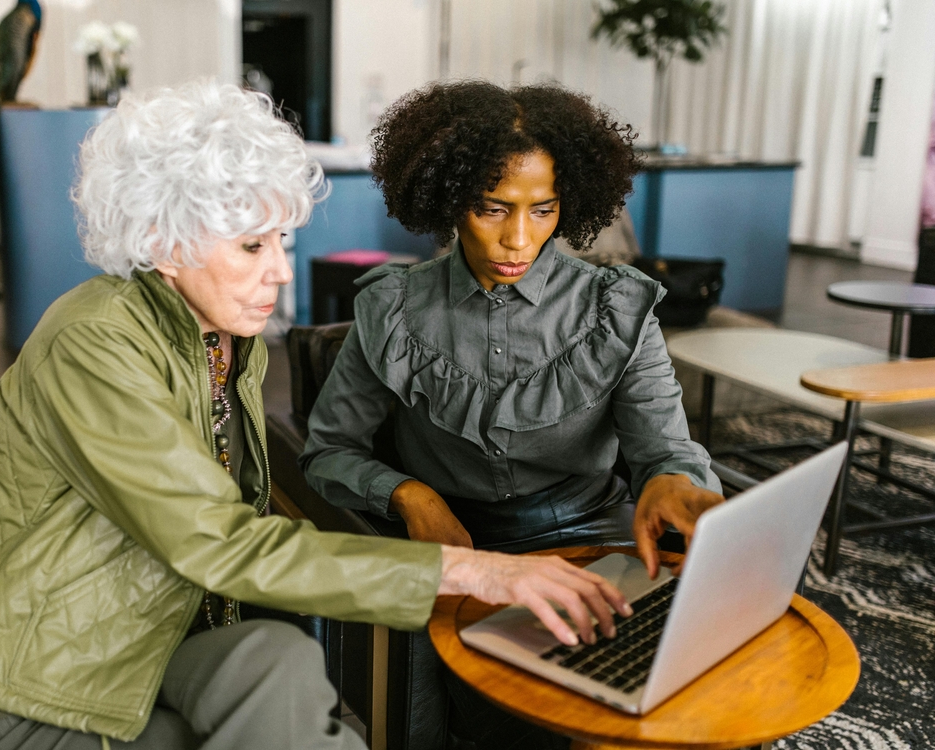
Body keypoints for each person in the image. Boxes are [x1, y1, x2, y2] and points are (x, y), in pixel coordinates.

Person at [0, 80, 634, 750]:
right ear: (161, 242)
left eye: (282, 240)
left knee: (275, 657)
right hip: (11, 697)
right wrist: (480, 573)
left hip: (131, 646)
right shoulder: (95, 342)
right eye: (251, 245)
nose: (281, 271)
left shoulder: (218, 339)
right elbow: (220, 545)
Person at [299, 81, 726, 748]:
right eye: (491, 208)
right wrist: (410, 495)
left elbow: (663, 450)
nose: (516, 239)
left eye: (543, 209)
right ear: (447, 199)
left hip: (595, 531)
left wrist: (670, 479)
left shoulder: (617, 308)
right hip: (460, 544)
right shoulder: (393, 308)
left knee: (654, 688)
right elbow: (327, 452)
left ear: (570, 203)